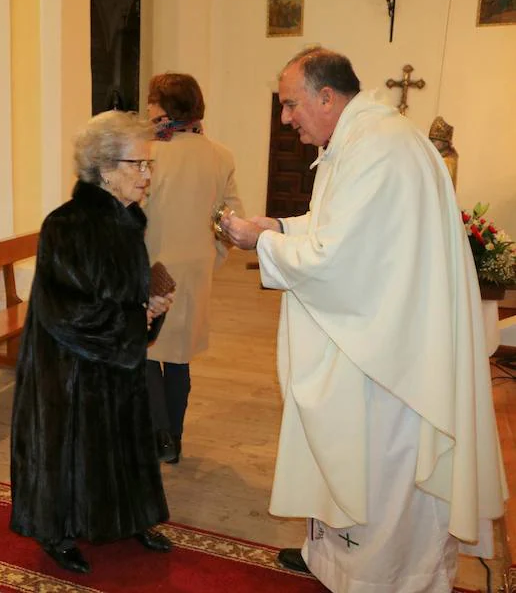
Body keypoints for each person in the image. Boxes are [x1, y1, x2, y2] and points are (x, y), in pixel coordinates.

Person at [220, 47, 507, 592]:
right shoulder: (361, 139)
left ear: (327, 97)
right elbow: (336, 225)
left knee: (379, 469)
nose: (285, 119)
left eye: (289, 105)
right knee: (352, 457)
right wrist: (279, 224)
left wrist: (262, 241)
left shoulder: (376, 147)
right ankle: (334, 559)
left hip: (389, 357)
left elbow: (340, 259)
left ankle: (387, 577)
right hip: (378, 336)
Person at [10, 110, 175, 574]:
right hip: (68, 366)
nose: (146, 175)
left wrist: (148, 312)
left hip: (114, 355)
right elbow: (68, 310)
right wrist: (132, 319)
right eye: (137, 164)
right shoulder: (66, 225)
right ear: (104, 169)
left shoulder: (128, 221)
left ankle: (132, 517)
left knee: (125, 438)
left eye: (150, 165)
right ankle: (57, 533)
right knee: (70, 449)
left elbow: (123, 293)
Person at [143, 73, 245, 464]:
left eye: (152, 101)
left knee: (148, 351)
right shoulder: (221, 155)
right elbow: (230, 221)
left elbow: (135, 210)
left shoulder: (149, 153)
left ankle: (160, 437)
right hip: (196, 270)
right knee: (179, 355)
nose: (149, 108)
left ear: (166, 107)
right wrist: (213, 256)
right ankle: (176, 439)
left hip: (155, 265)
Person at [429, 115, 458, 190]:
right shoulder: (436, 155)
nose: (431, 144)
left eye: (433, 141)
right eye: (430, 140)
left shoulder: (448, 161)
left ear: (444, 143)